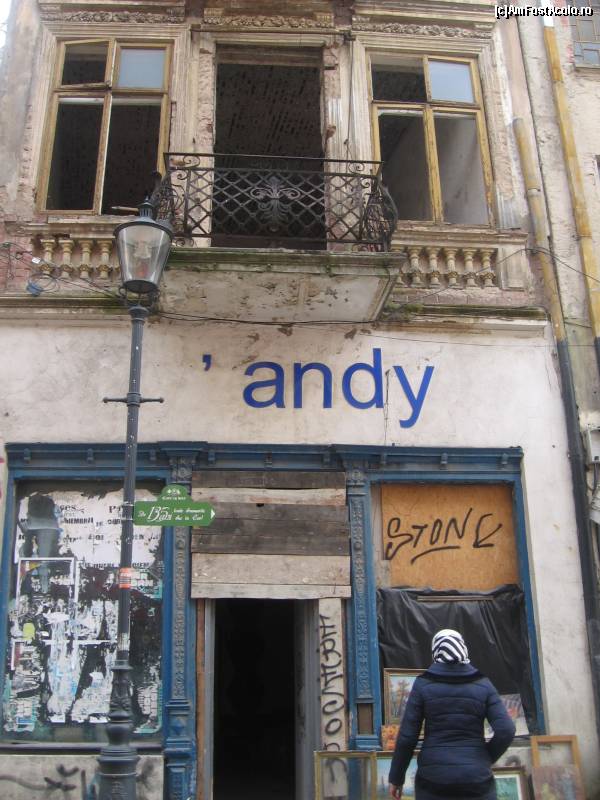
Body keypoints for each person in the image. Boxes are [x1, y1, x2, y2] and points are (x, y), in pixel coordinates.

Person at [388, 629, 515, 800]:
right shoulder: (484, 684)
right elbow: (506, 730)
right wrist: (483, 758)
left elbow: (407, 737)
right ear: (463, 648)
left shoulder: (423, 685)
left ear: (435, 651)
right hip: (476, 779)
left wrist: (396, 778)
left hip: (433, 779)